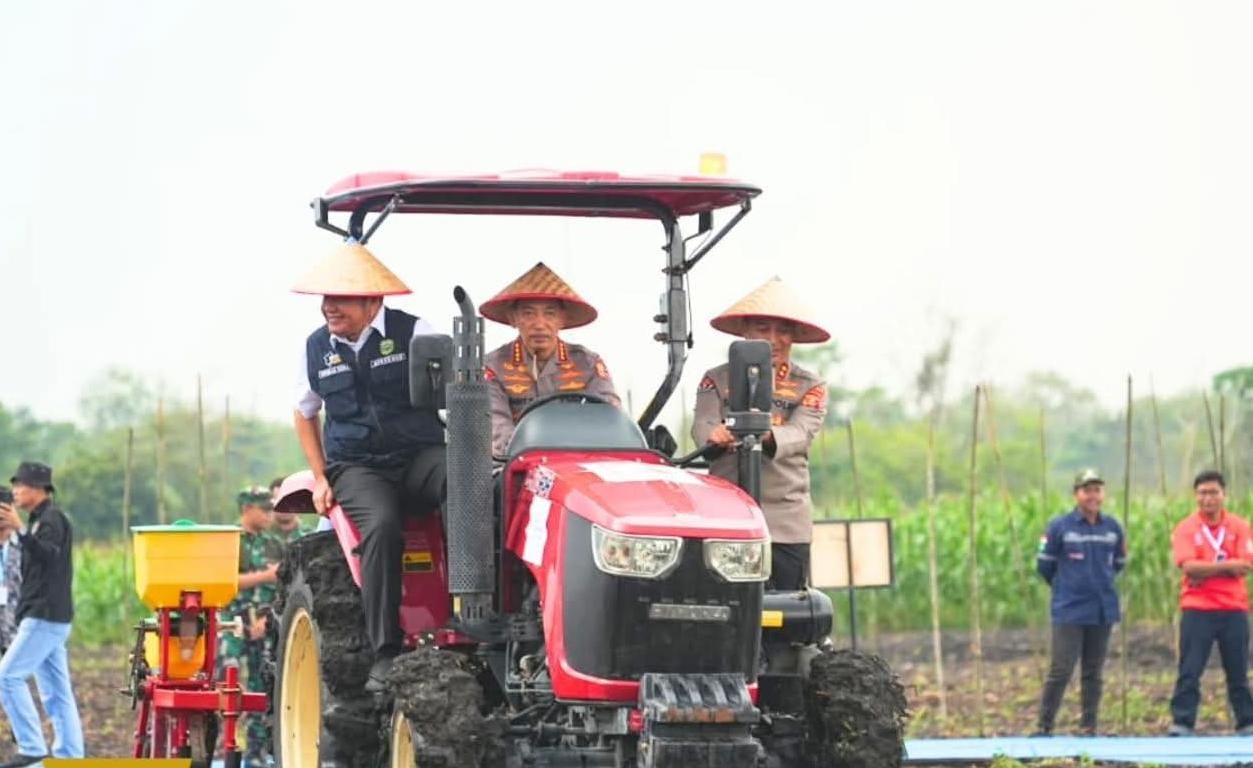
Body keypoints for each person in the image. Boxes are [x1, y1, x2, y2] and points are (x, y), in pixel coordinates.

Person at [291, 241, 446, 691]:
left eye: (340, 298)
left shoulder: (416, 332)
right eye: (326, 298)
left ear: (372, 300)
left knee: (470, 487)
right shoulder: (316, 347)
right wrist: (320, 476)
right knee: (381, 525)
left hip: (419, 455)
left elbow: (458, 389)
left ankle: (473, 611)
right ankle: (385, 649)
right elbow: (304, 412)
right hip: (358, 466)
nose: (329, 307)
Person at [691, 277, 829, 591]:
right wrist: (715, 435)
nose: (774, 340)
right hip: (727, 517)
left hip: (785, 519)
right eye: (763, 329)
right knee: (726, 603)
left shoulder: (811, 386)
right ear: (745, 332)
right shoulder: (715, 379)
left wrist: (764, 434)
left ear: (794, 337)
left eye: (783, 331)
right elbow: (702, 426)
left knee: (787, 607)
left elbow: (801, 433)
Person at [480, 262, 620, 455]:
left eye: (550, 313)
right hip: (515, 461)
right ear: (513, 318)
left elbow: (611, 419)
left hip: (579, 458)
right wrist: (526, 454)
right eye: (528, 313)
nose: (539, 324)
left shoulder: (588, 364)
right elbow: (496, 426)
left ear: (563, 319)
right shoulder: (492, 367)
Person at [0, 462, 83, 766]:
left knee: (7, 677)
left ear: (38, 488)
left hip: (44, 615)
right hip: (48, 617)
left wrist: (19, 529)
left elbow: (48, 555)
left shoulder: (51, 520)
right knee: (56, 693)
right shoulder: (39, 520)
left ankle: (31, 745)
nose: (15, 492)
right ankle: (70, 756)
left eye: (19, 486)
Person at [1033, 469, 1126, 736]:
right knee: (1061, 669)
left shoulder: (1112, 528)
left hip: (1102, 609)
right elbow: (1045, 566)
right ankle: (1045, 725)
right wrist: (1067, 587)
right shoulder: (1059, 526)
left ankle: (1089, 725)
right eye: (1087, 490)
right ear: (1076, 494)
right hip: (1069, 609)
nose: (1092, 496)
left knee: (1093, 671)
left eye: (1097, 490)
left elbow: (1118, 563)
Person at [1167, 470, 1253, 736]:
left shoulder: (1239, 526)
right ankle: (1182, 722)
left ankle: (1246, 722)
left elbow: (1245, 565)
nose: (1208, 498)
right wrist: (1227, 567)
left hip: (1234, 608)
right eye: (1203, 493)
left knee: (1238, 671)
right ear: (1196, 496)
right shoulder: (1186, 528)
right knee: (1190, 670)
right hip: (1198, 608)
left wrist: (1205, 569)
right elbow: (1188, 567)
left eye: (1213, 492)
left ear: (1223, 494)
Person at [218, 486, 282, 766]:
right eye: (263, 509)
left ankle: (256, 753)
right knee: (226, 681)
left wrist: (267, 618)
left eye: (271, 509)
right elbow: (224, 582)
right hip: (231, 621)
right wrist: (265, 575)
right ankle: (222, 744)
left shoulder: (274, 544)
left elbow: (283, 585)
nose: (269, 514)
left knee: (262, 686)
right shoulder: (229, 542)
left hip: (264, 621)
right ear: (246, 509)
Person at [268, 476, 305, 549]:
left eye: (289, 500)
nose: (284, 505)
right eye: (279, 500)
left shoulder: (311, 537)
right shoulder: (260, 538)